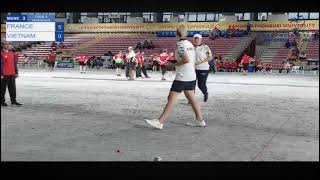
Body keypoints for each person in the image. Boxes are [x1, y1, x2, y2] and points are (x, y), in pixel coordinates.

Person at [144, 24, 205, 130]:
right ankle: (200, 120)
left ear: (177, 33)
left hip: (182, 76)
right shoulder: (190, 44)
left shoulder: (180, 44)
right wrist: (173, 60)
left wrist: (173, 64)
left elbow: (186, 59)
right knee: (191, 97)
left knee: (171, 98)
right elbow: (190, 59)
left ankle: (160, 122)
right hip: (191, 75)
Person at [1, 42, 22, 106]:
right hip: (4, 74)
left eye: (9, 44)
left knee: (12, 88)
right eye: (6, 44)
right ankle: (2, 101)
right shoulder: (1, 53)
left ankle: (13, 101)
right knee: (2, 89)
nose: (8, 45)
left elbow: (14, 64)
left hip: (12, 74)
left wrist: (16, 72)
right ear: (3, 45)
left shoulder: (12, 53)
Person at [193, 34, 213, 102]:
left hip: (203, 68)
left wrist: (201, 61)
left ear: (201, 40)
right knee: (191, 84)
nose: (196, 40)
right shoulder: (191, 47)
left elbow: (210, 57)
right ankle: (191, 99)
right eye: (195, 39)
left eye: (197, 39)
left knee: (201, 85)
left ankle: (205, 93)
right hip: (192, 69)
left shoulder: (205, 47)